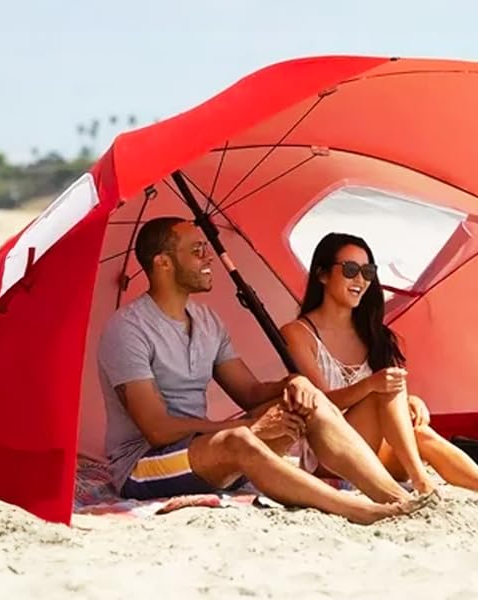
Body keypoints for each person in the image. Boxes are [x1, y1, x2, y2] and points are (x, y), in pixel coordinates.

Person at [96, 217, 425, 525]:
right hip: (144, 466)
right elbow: (158, 430)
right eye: (196, 251)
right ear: (163, 263)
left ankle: (395, 498)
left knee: (306, 402)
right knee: (238, 439)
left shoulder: (208, 322)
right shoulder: (127, 330)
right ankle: (360, 511)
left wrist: (294, 382)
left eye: (206, 248)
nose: (207, 257)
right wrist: (251, 427)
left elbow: (248, 392)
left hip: (206, 452)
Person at [279, 232, 478, 498]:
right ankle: (422, 482)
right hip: (329, 455)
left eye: (368, 271)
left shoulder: (372, 334)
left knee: (419, 431)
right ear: (322, 275)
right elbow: (320, 405)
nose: (360, 280)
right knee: (382, 392)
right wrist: (372, 386)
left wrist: (410, 400)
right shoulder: (298, 333)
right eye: (350, 270)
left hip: (373, 453)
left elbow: (384, 395)